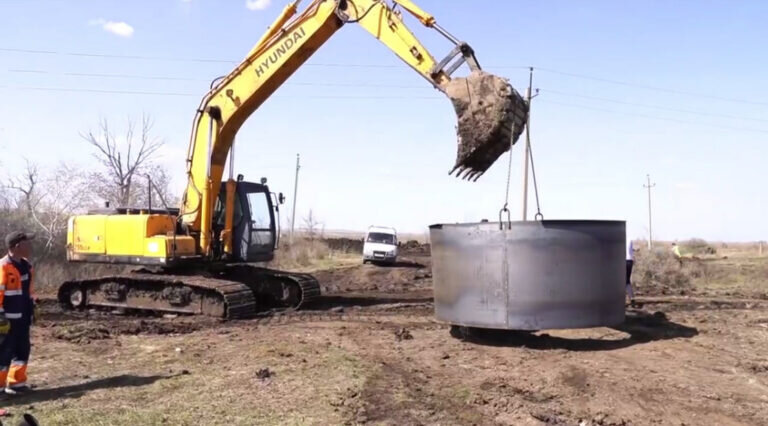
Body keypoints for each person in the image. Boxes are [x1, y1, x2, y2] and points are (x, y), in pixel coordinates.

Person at [0, 231, 37, 395]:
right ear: (17, 246)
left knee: (22, 350)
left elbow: (27, 291)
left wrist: (32, 308)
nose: (30, 245)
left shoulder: (27, 266)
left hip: (23, 318)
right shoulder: (3, 266)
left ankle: (16, 384)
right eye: (27, 242)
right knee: (4, 352)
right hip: (7, 320)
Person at [626, 237, 637, 307]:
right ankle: (632, 298)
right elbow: (631, 251)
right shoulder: (630, 239)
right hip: (630, 260)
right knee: (627, 280)